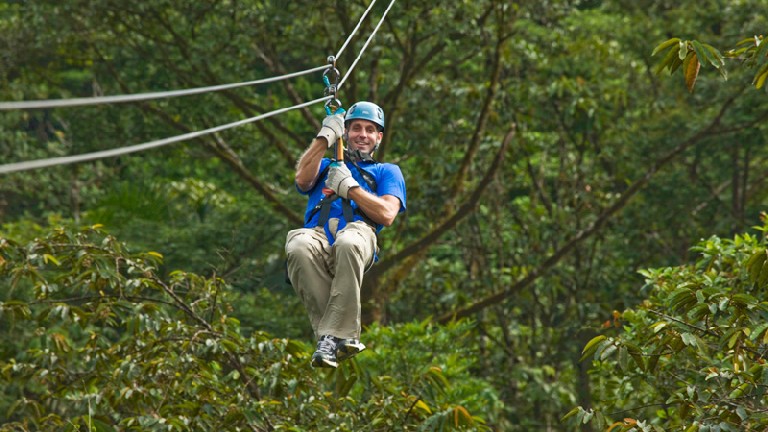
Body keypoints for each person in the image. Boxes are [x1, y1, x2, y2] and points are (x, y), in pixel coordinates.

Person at [285, 101, 406, 368]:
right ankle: (332, 339)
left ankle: (332, 335)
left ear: (379, 137)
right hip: (318, 235)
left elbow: (387, 214)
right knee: (297, 245)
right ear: (346, 133)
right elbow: (302, 180)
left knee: (348, 241)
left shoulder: (386, 171)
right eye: (356, 128)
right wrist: (324, 137)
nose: (363, 134)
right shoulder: (325, 166)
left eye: (370, 130)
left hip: (359, 234)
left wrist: (350, 188)